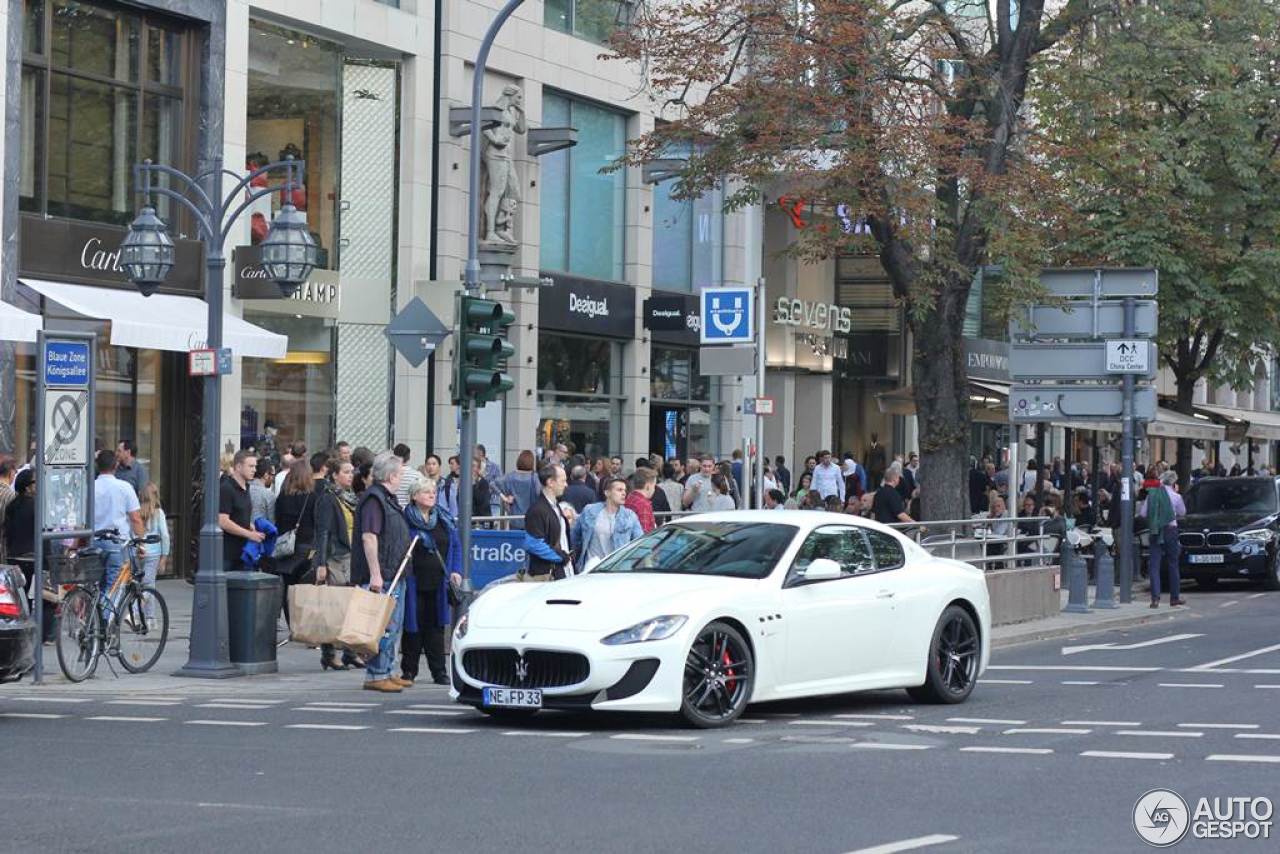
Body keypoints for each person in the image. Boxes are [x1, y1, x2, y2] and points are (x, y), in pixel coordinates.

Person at [351, 451, 412, 692]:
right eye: (399, 475)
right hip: (384, 573)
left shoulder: (386, 498)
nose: (401, 479)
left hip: (395, 570)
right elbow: (369, 537)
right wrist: (375, 574)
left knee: (394, 625)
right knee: (385, 625)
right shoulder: (375, 499)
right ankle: (377, 673)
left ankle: (387, 669)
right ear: (390, 475)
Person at [401, 480, 462, 685]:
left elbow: (455, 545)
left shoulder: (443, 518)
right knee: (413, 626)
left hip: (438, 582)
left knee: (436, 628)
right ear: (414, 496)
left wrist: (455, 570)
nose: (431, 495)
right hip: (414, 581)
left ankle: (439, 672)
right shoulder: (405, 519)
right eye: (426, 492)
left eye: (433, 491)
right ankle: (409, 670)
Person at [312, 458, 362, 671]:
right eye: (346, 472)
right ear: (334, 475)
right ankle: (329, 653)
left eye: (352, 472)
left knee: (350, 607)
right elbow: (323, 532)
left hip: (351, 556)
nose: (351, 475)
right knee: (334, 607)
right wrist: (321, 563)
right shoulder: (328, 499)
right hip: (335, 556)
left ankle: (350, 652)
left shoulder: (349, 498)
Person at [93, 450, 146, 592]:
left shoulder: (90, 487)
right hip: (116, 544)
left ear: (98, 466)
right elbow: (135, 518)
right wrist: (141, 542)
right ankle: (105, 614)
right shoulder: (124, 487)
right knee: (113, 588)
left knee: (95, 586)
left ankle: (94, 612)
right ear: (115, 465)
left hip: (94, 542)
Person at [273, 460, 318, 624]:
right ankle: (302, 623)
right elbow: (316, 522)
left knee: (288, 586)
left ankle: (291, 622)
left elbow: (276, 519)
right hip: (305, 544)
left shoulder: (283, 497)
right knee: (305, 585)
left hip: (286, 546)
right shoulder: (312, 497)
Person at [573, 477, 644, 572]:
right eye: (619, 490)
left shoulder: (630, 516)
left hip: (617, 569)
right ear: (607, 493)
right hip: (592, 567)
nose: (624, 493)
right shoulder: (590, 511)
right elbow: (576, 536)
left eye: (625, 490)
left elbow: (640, 542)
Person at [1143, 470, 1186, 608]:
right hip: (1170, 530)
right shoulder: (1176, 496)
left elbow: (1143, 513)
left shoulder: (1152, 494)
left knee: (1154, 564)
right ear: (1173, 482)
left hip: (1156, 531)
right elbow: (1182, 512)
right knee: (1173, 564)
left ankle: (1155, 598)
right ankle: (1174, 598)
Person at [524, 464, 573, 580]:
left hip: (560, 571)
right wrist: (561, 557)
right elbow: (533, 544)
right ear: (550, 482)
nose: (566, 485)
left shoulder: (555, 507)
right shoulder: (537, 510)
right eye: (563, 481)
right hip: (547, 574)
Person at [218, 450, 263, 573]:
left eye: (255, 466)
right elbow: (223, 521)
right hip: (227, 554)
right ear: (238, 466)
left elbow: (237, 516)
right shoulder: (226, 488)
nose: (254, 470)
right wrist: (249, 534)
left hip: (243, 552)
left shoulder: (246, 488)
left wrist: (250, 526)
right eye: (251, 466)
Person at [137, 482, 170, 614]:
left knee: (145, 584)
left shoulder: (136, 513)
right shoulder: (158, 513)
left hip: (138, 552)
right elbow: (165, 536)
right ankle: (134, 611)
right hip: (153, 554)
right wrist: (164, 557)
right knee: (148, 585)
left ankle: (150, 617)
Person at [497, 450, 541, 529]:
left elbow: (493, 484)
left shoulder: (510, 476)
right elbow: (539, 493)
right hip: (532, 520)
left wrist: (505, 498)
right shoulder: (535, 477)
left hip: (514, 520)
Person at [624, 469, 658, 533]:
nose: (654, 489)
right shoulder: (644, 505)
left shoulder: (628, 499)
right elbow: (644, 534)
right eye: (654, 486)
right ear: (647, 486)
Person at [393, 443, 422, 508]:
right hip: (409, 512)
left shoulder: (389, 474)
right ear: (409, 457)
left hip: (392, 510)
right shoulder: (417, 475)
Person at [249, 458, 277, 524]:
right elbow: (272, 522)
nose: (273, 478)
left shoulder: (244, 489)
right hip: (261, 532)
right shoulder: (269, 495)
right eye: (273, 474)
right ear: (266, 475)